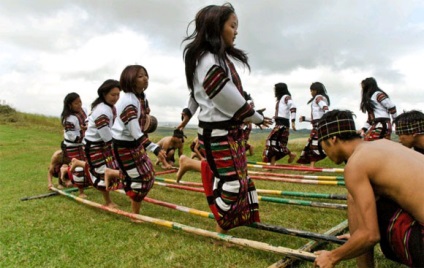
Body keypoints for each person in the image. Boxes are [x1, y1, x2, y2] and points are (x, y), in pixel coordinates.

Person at [182, 3, 272, 233]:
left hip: (227, 131)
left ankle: (234, 221)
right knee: (232, 183)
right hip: (219, 133)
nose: (236, 31)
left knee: (238, 179)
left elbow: (205, 96)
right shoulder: (208, 61)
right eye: (233, 26)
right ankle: (220, 224)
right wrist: (254, 117)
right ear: (216, 27)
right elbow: (225, 97)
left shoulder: (213, 58)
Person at [313, 109, 424, 268]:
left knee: (356, 198)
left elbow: (370, 235)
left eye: (322, 145)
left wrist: (332, 257)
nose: (324, 152)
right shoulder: (385, 145)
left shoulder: (356, 164)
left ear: (333, 139)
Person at [110, 64, 170, 215]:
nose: (145, 79)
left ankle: (114, 174)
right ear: (131, 79)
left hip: (134, 143)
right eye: (140, 76)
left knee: (148, 173)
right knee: (142, 179)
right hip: (124, 145)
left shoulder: (141, 97)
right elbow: (134, 130)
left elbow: (141, 125)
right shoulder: (130, 101)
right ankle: (134, 214)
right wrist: (154, 148)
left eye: (146, 75)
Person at [80, 79, 121, 207]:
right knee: (103, 171)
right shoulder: (102, 110)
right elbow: (106, 135)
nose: (116, 98)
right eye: (112, 95)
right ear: (104, 94)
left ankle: (76, 163)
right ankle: (108, 202)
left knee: (107, 169)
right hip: (95, 145)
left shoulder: (109, 107)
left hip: (101, 143)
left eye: (118, 95)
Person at [61, 92, 89, 197]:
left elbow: (88, 121)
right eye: (76, 103)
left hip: (82, 144)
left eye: (80, 102)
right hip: (72, 146)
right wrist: (85, 134)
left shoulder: (83, 110)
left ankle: (65, 171)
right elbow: (73, 137)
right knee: (78, 168)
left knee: (85, 163)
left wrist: (87, 127)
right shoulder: (68, 119)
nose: (79, 105)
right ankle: (81, 191)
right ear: (70, 105)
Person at [262, 82, 297, 165]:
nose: (274, 91)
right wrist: (268, 122)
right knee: (276, 144)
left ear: (279, 89)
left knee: (271, 141)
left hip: (283, 125)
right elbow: (278, 115)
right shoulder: (280, 100)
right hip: (279, 123)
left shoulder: (286, 97)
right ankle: (273, 164)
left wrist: (293, 121)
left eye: (275, 89)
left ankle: (289, 154)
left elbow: (293, 107)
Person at [297, 82, 330, 168]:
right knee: (310, 145)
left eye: (311, 90)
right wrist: (305, 119)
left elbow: (325, 108)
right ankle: (303, 164)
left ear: (316, 90)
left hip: (319, 126)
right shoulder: (321, 98)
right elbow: (316, 117)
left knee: (314, 145)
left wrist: (327, 113)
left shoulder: (318, 98)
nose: (311, 92)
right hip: (318, 124)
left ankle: (311, 166)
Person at [242, 91, 254, 156]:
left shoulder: (247, 103)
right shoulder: (247, 102)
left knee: (241, 140)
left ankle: (249, 147)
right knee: (241, 140)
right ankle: (249, 147)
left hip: (245, 124)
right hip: (246, 124)